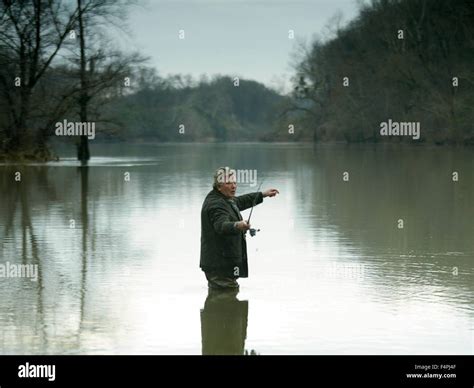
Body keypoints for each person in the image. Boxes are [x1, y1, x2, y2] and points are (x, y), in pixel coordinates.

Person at [199, 167, 279, 289]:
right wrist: (238, 225)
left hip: (221, 263)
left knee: (224, 298)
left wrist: (263, 194)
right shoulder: (216, 204)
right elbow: (221, 226)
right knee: (227, 295)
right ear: (219, 186)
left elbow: (240, 201)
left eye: (234, 182)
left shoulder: (224, 199)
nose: (233, 186)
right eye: (228, 183)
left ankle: (213, 308)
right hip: (219, 265)